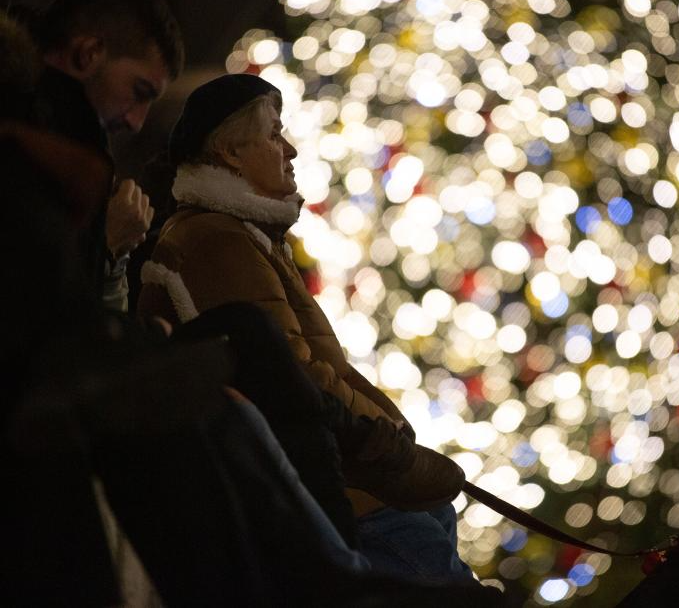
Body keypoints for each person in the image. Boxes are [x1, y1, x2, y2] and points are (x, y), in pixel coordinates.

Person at [138, 73, 475, 584]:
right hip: (348, 501)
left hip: (366, 490)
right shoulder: (215, 239)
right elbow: (298, 377)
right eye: (274, 134)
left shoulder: (242, 234)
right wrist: (394, 451)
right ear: (230, 153)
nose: (290, 149)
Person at [33, 0, 184, 310]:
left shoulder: (74, 149)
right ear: (88, 53)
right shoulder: (26, 144)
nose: (136, 122)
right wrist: (107, 242)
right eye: (139, 92)